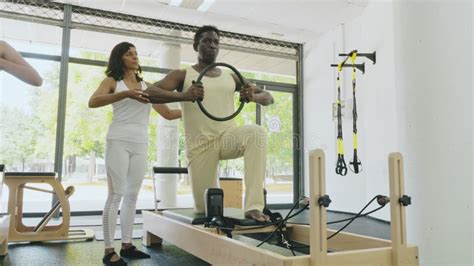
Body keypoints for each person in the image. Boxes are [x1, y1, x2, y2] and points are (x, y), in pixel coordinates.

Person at [144, 25, 274, 222]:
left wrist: (253, 98)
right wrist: (185, 96)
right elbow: (149, 93)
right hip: (199, 146)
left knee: (256, 133)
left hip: (227, 137)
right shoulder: (182, 75)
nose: (212, 45)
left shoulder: (231, 76)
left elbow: (268, 97)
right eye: (207, 41)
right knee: (204, 210)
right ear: (196, 45)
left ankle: (254, 207)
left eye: (216, 42)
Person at [88, 42, 181, 266]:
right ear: (119, 58)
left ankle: (127, 245)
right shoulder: (112, 81)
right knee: (116, 194)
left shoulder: (146, 86)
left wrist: (193, 109)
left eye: (136, 53)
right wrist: (126, 94)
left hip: (140, 143)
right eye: (129, 54)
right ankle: (109, 250)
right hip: (118, 140)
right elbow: (93, 101)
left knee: (132, 196)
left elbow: (167, 113)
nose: (134, 56)